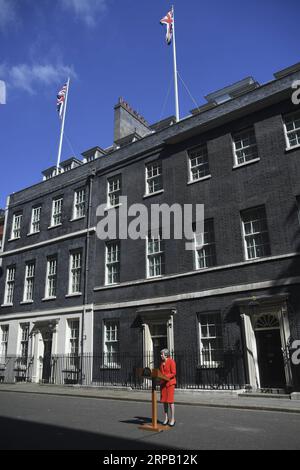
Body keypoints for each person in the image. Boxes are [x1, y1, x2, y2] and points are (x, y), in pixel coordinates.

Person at [159, 348, 176, 426]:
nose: (161, 355)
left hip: (170, 384)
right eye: (161, 354)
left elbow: (173, 373)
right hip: (163, 384)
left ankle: (172, 419)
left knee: (170, 401)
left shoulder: (171, 361)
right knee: (164, 401)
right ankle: (166, 418)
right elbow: (160, 373)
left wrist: (165, 376)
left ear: (166, 354)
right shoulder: (161, 363)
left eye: (161, 354)